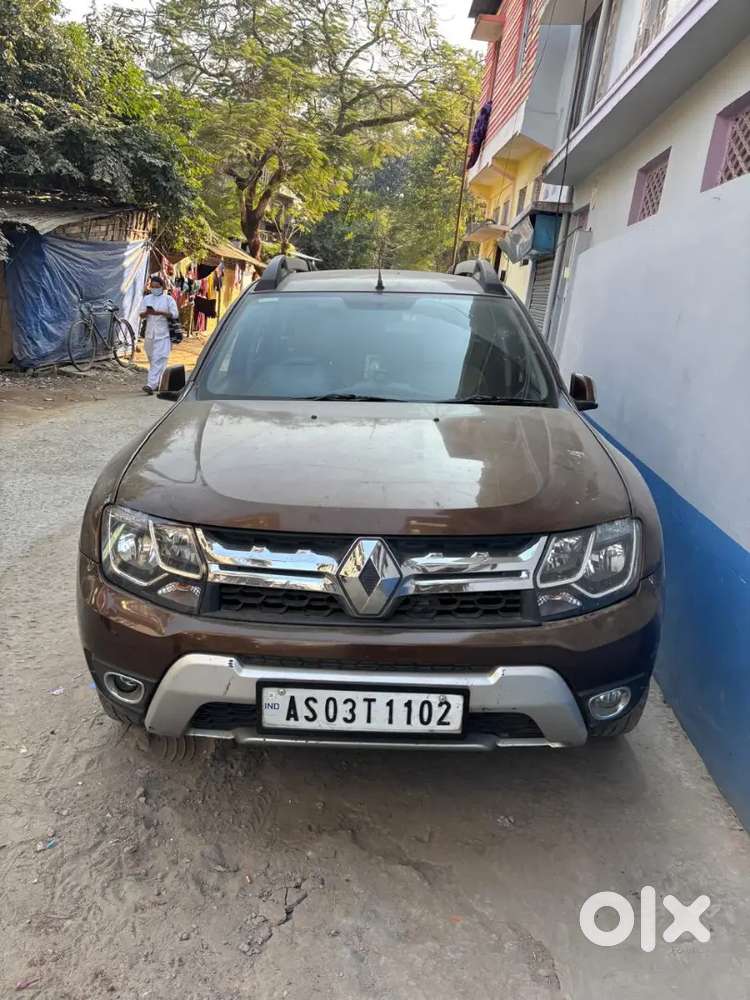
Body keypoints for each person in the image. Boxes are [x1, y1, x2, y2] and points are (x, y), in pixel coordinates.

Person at [139, 275, 178, 395]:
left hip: (164, 334)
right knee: (152, 358)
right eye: (152, 287)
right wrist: (147, 312)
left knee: (158, 358)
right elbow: (141, 314)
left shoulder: (168, 299)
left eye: (157, 287)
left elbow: (174, 314)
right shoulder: (147, 299)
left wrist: (161, 313)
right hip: (150, 334)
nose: (154, 289)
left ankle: (150, 385)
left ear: (162, 287)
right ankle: (159, 382)